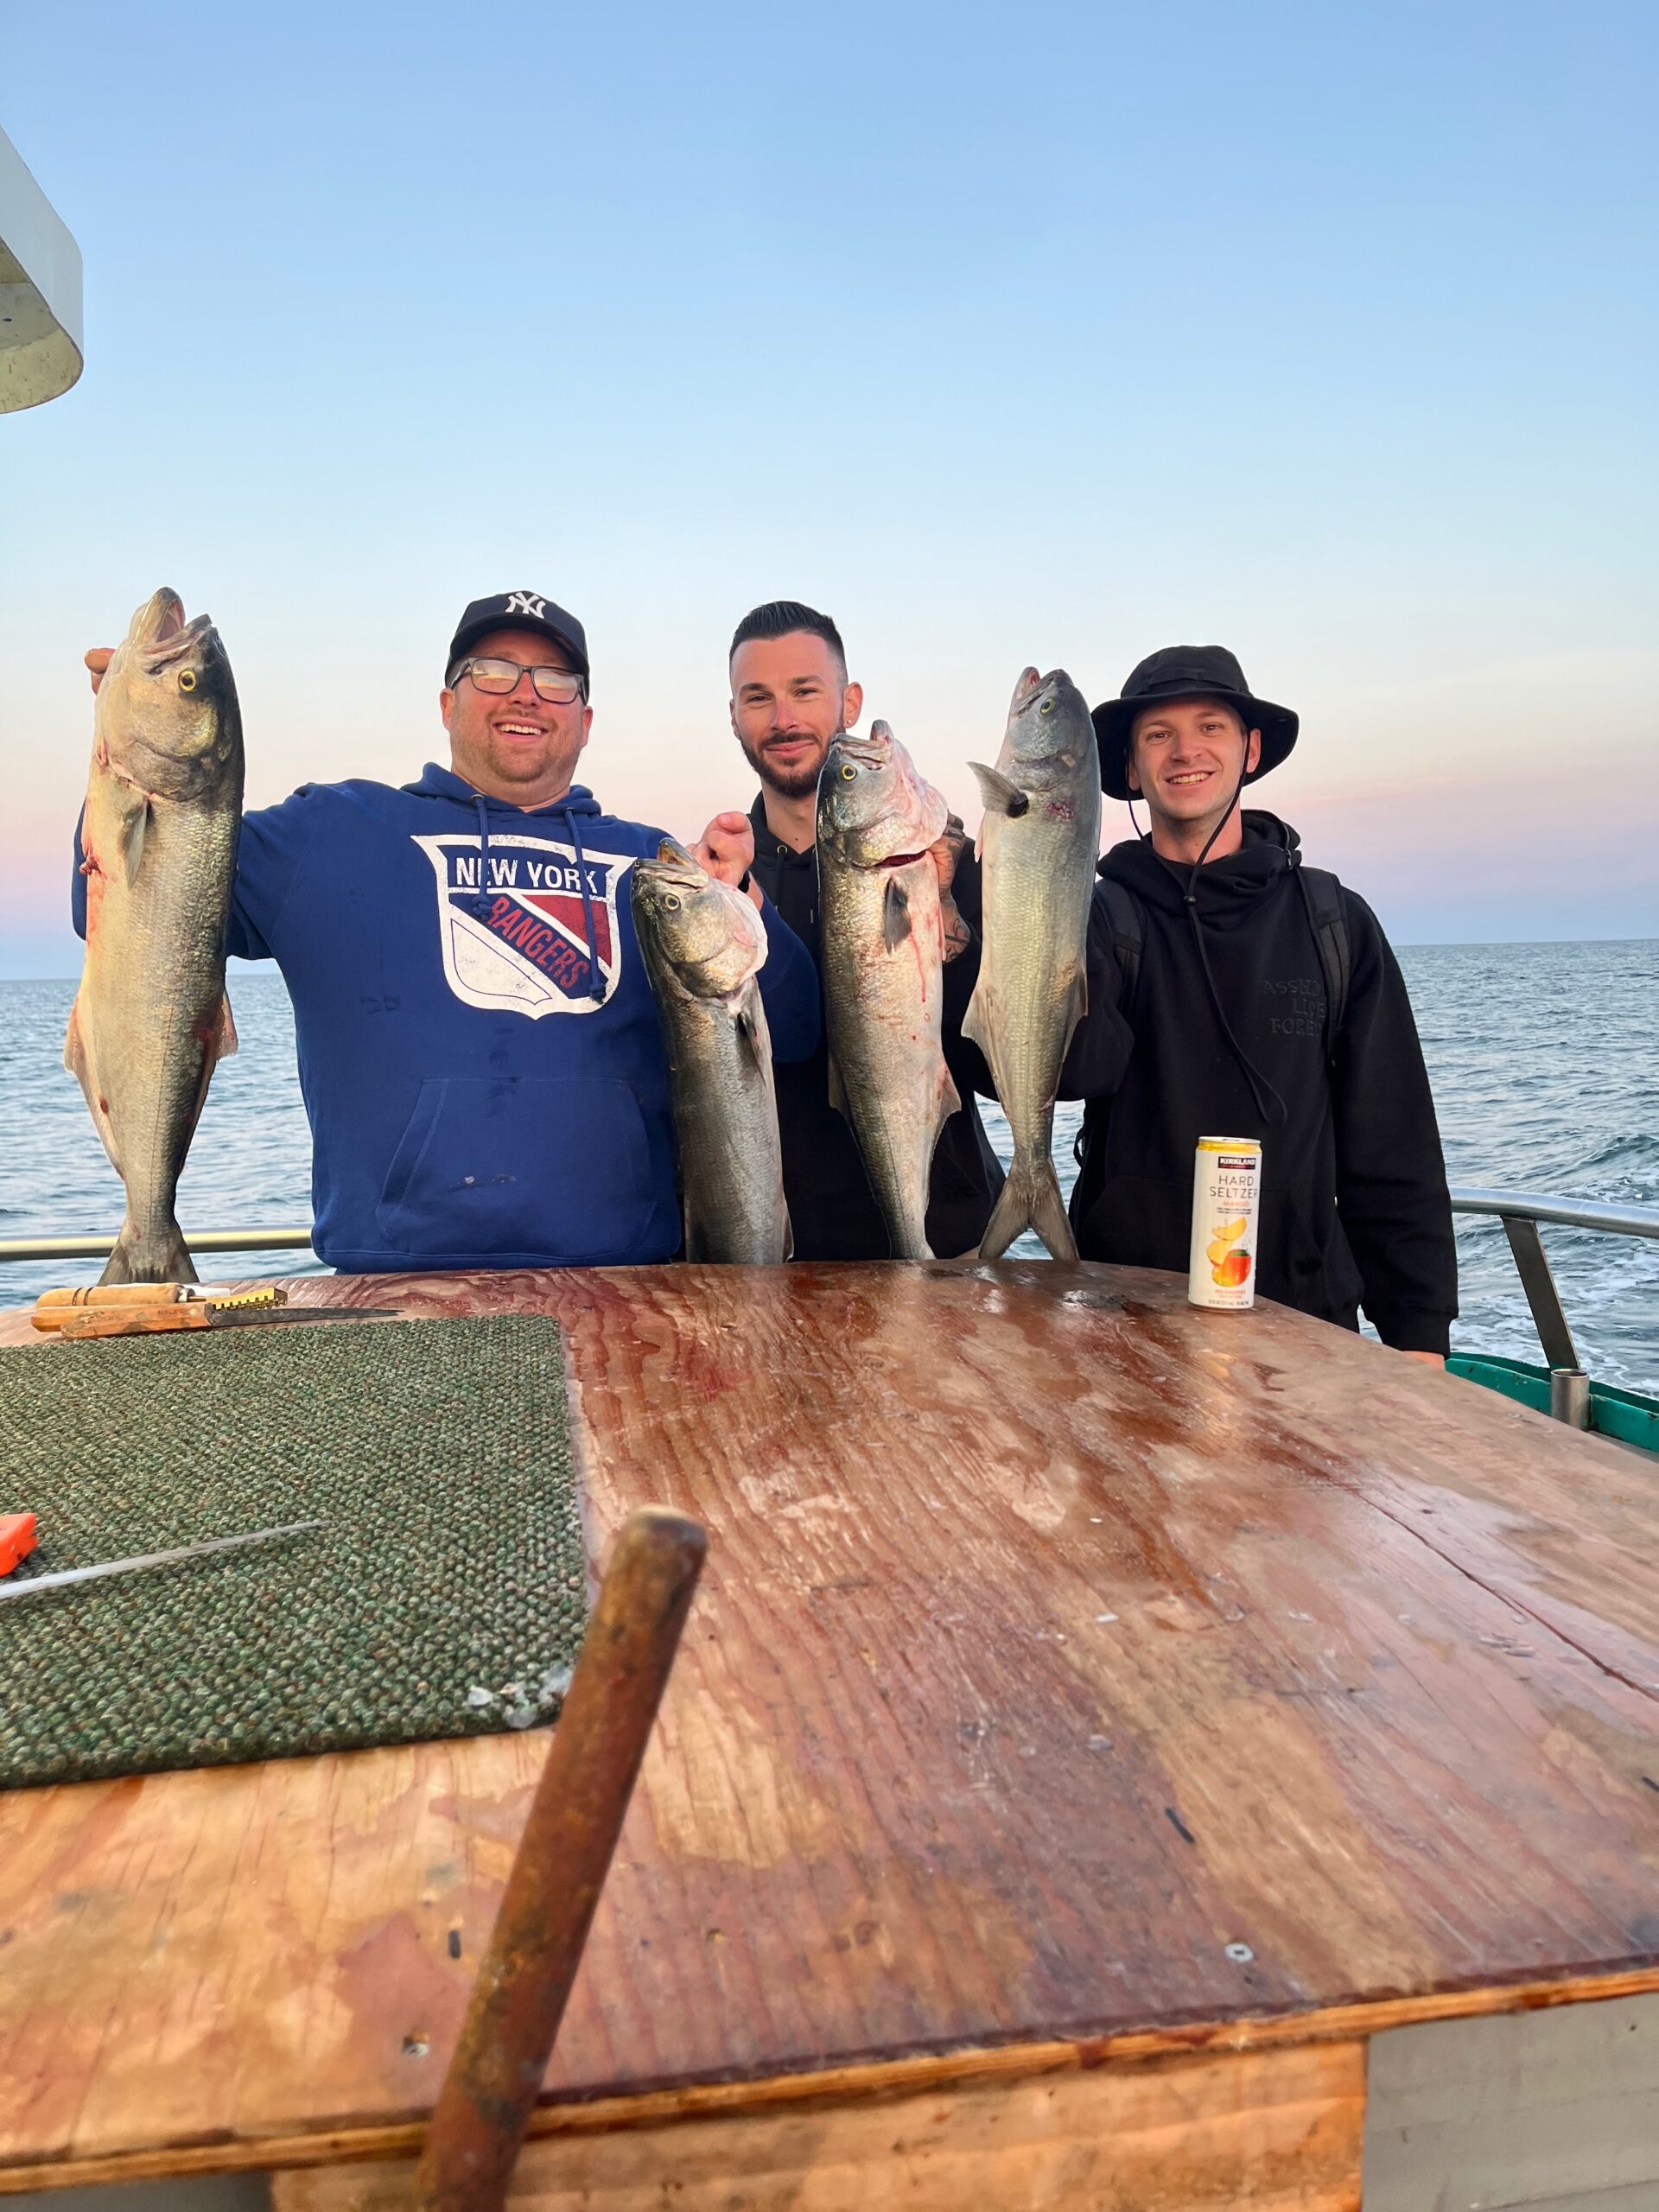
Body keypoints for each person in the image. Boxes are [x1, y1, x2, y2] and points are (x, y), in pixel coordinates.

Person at [73, 590, 819, 1271]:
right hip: (393, 1290)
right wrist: (127, 762)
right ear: (446, 701)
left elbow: (795, 1025)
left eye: (556, 681)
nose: (526, 693)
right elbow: (122, 909)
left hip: (630, 1282)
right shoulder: (329, 831)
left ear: (585, 721)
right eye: (494, 671)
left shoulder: (653, 865)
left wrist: (742, 896)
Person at [1065, 645, 1456, 1363]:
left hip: (1306, 1322)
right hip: (1126, 1323)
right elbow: (1066, 1075)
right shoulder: (1096, 919)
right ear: (1128, 769)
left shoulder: (1334, 922)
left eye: (1210, 727)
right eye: (1158, 735)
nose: (1186, 751)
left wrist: (1419, 1331)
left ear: (1250, 750)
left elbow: (1392, 1136)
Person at [726, 600, 1004, 1259]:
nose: (784, 719)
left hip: (955, 1242)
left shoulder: (944, 862)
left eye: (805, 691)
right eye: (758, 697)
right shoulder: (726, 884)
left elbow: (995, 1063)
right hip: (792, 1262)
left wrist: (961, 926)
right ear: (733, 716)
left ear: (849, 702)